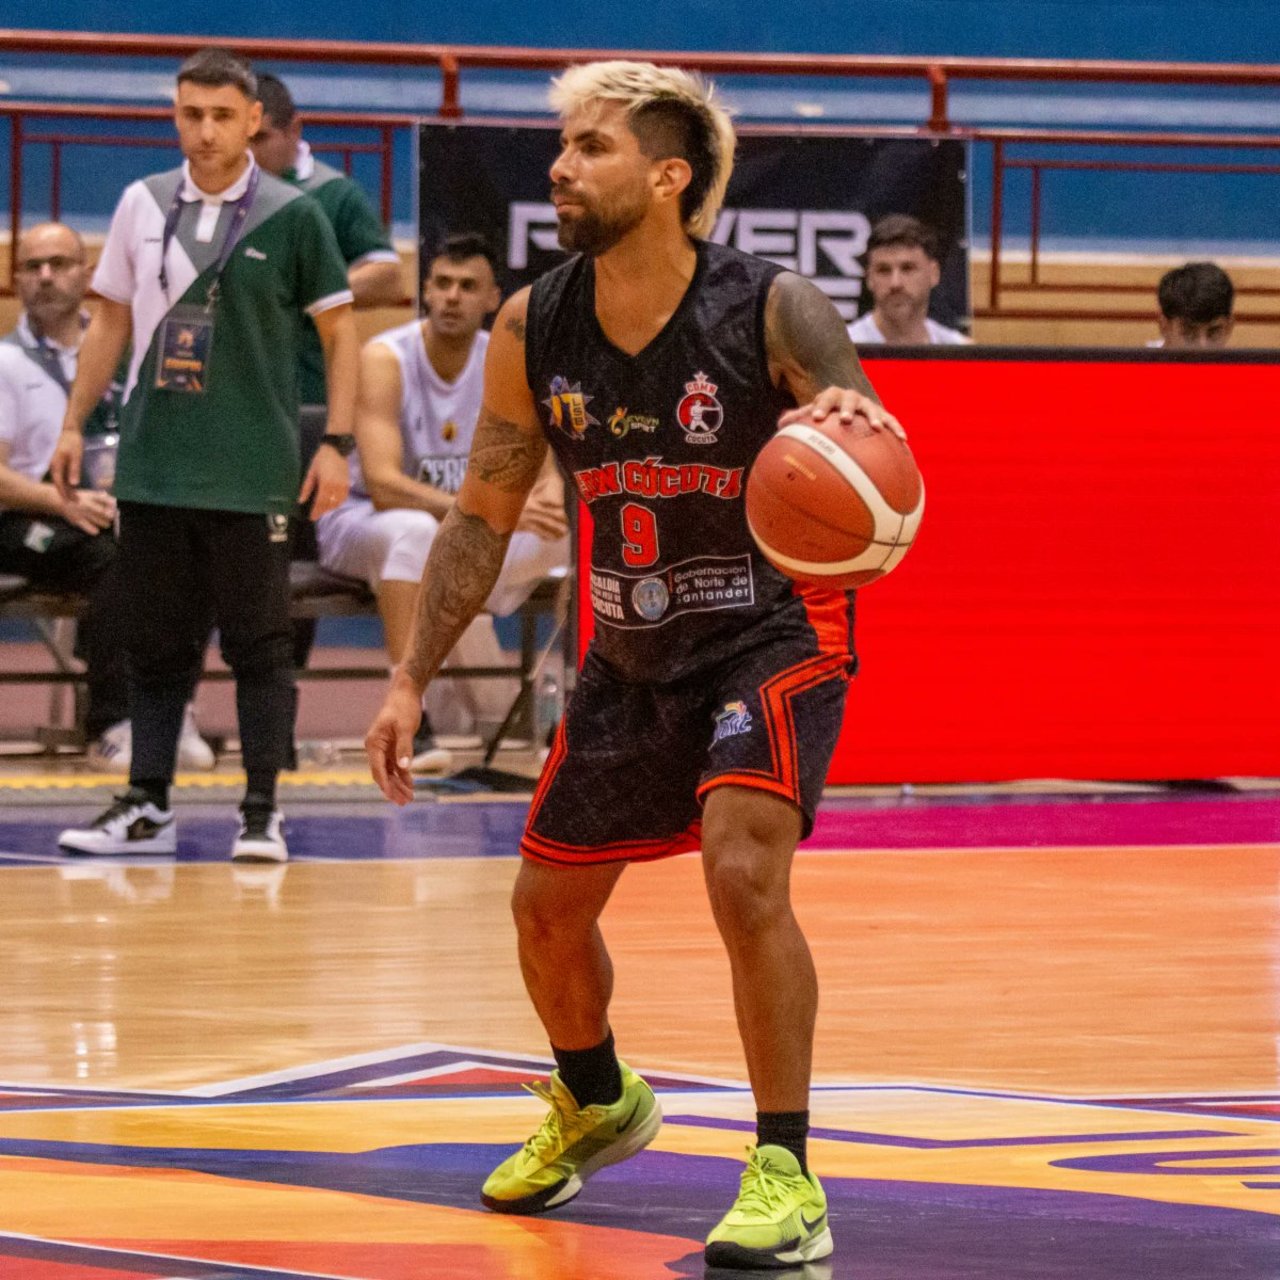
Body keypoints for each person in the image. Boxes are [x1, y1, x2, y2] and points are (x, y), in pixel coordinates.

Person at [365, 60, 904, 1270]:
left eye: (590, 147)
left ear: (667, 176)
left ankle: (784, 1168)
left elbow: (867, 444)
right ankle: (597, 1096)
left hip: (771, 628)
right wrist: (407, 676)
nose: (559, 167)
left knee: (741, 868)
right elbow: (482, 512)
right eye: (561, 146)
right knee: (545, 913)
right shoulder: (532, 320)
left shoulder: (772, 306)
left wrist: (850, 457)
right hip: (626, 644)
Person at [52, 48, 359, 862]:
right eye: (192, 114)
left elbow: (341, 335)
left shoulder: (294, 214)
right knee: (155, 645)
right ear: (175, 116)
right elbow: (109, 321)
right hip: (154, 465)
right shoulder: (140, 202)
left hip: (253, 470)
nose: (207, 131)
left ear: (254, 119)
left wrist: (336, 443)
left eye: (223, 115)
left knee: (260, 647)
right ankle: (147, 805)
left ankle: (260, 813)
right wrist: (74, 423)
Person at [318, 233, 568, 771]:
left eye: (468, 286)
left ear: (493, 299)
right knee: (417, 534)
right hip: (364, 521)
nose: (453, 297)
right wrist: (497, 512)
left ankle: (572, 711)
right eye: (442, 284)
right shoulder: (385, 358)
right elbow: (384, 486)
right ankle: (413, 712)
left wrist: (547, 498)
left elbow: (543, 472)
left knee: (577, 541)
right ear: (425, 292)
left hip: (461, 531)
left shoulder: (506, 358)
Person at [0, 221, 212, 772]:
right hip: (27, 518)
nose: (46, 277)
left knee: (192, 546)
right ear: (16, 280)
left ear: (87, 274)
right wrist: (60, 502)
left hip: (114, 507)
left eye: (60, 264)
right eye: (32, 266)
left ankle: (172, 709)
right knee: (114, 557)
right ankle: (113, 723)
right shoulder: (5, 362)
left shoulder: (124, 352)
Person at [847, 213, 970, 346]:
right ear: (869, 278)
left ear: (934, 274)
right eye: (883, 270)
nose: (895, 283)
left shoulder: (960, 352)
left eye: (907, 268)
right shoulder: (839, 351)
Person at [1152, 261, 1234, 348]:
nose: (1203, 347)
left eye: (1213, 332)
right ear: (1164, 327)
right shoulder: (1142, 357)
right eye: (1189, 333)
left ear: (1229, 327)